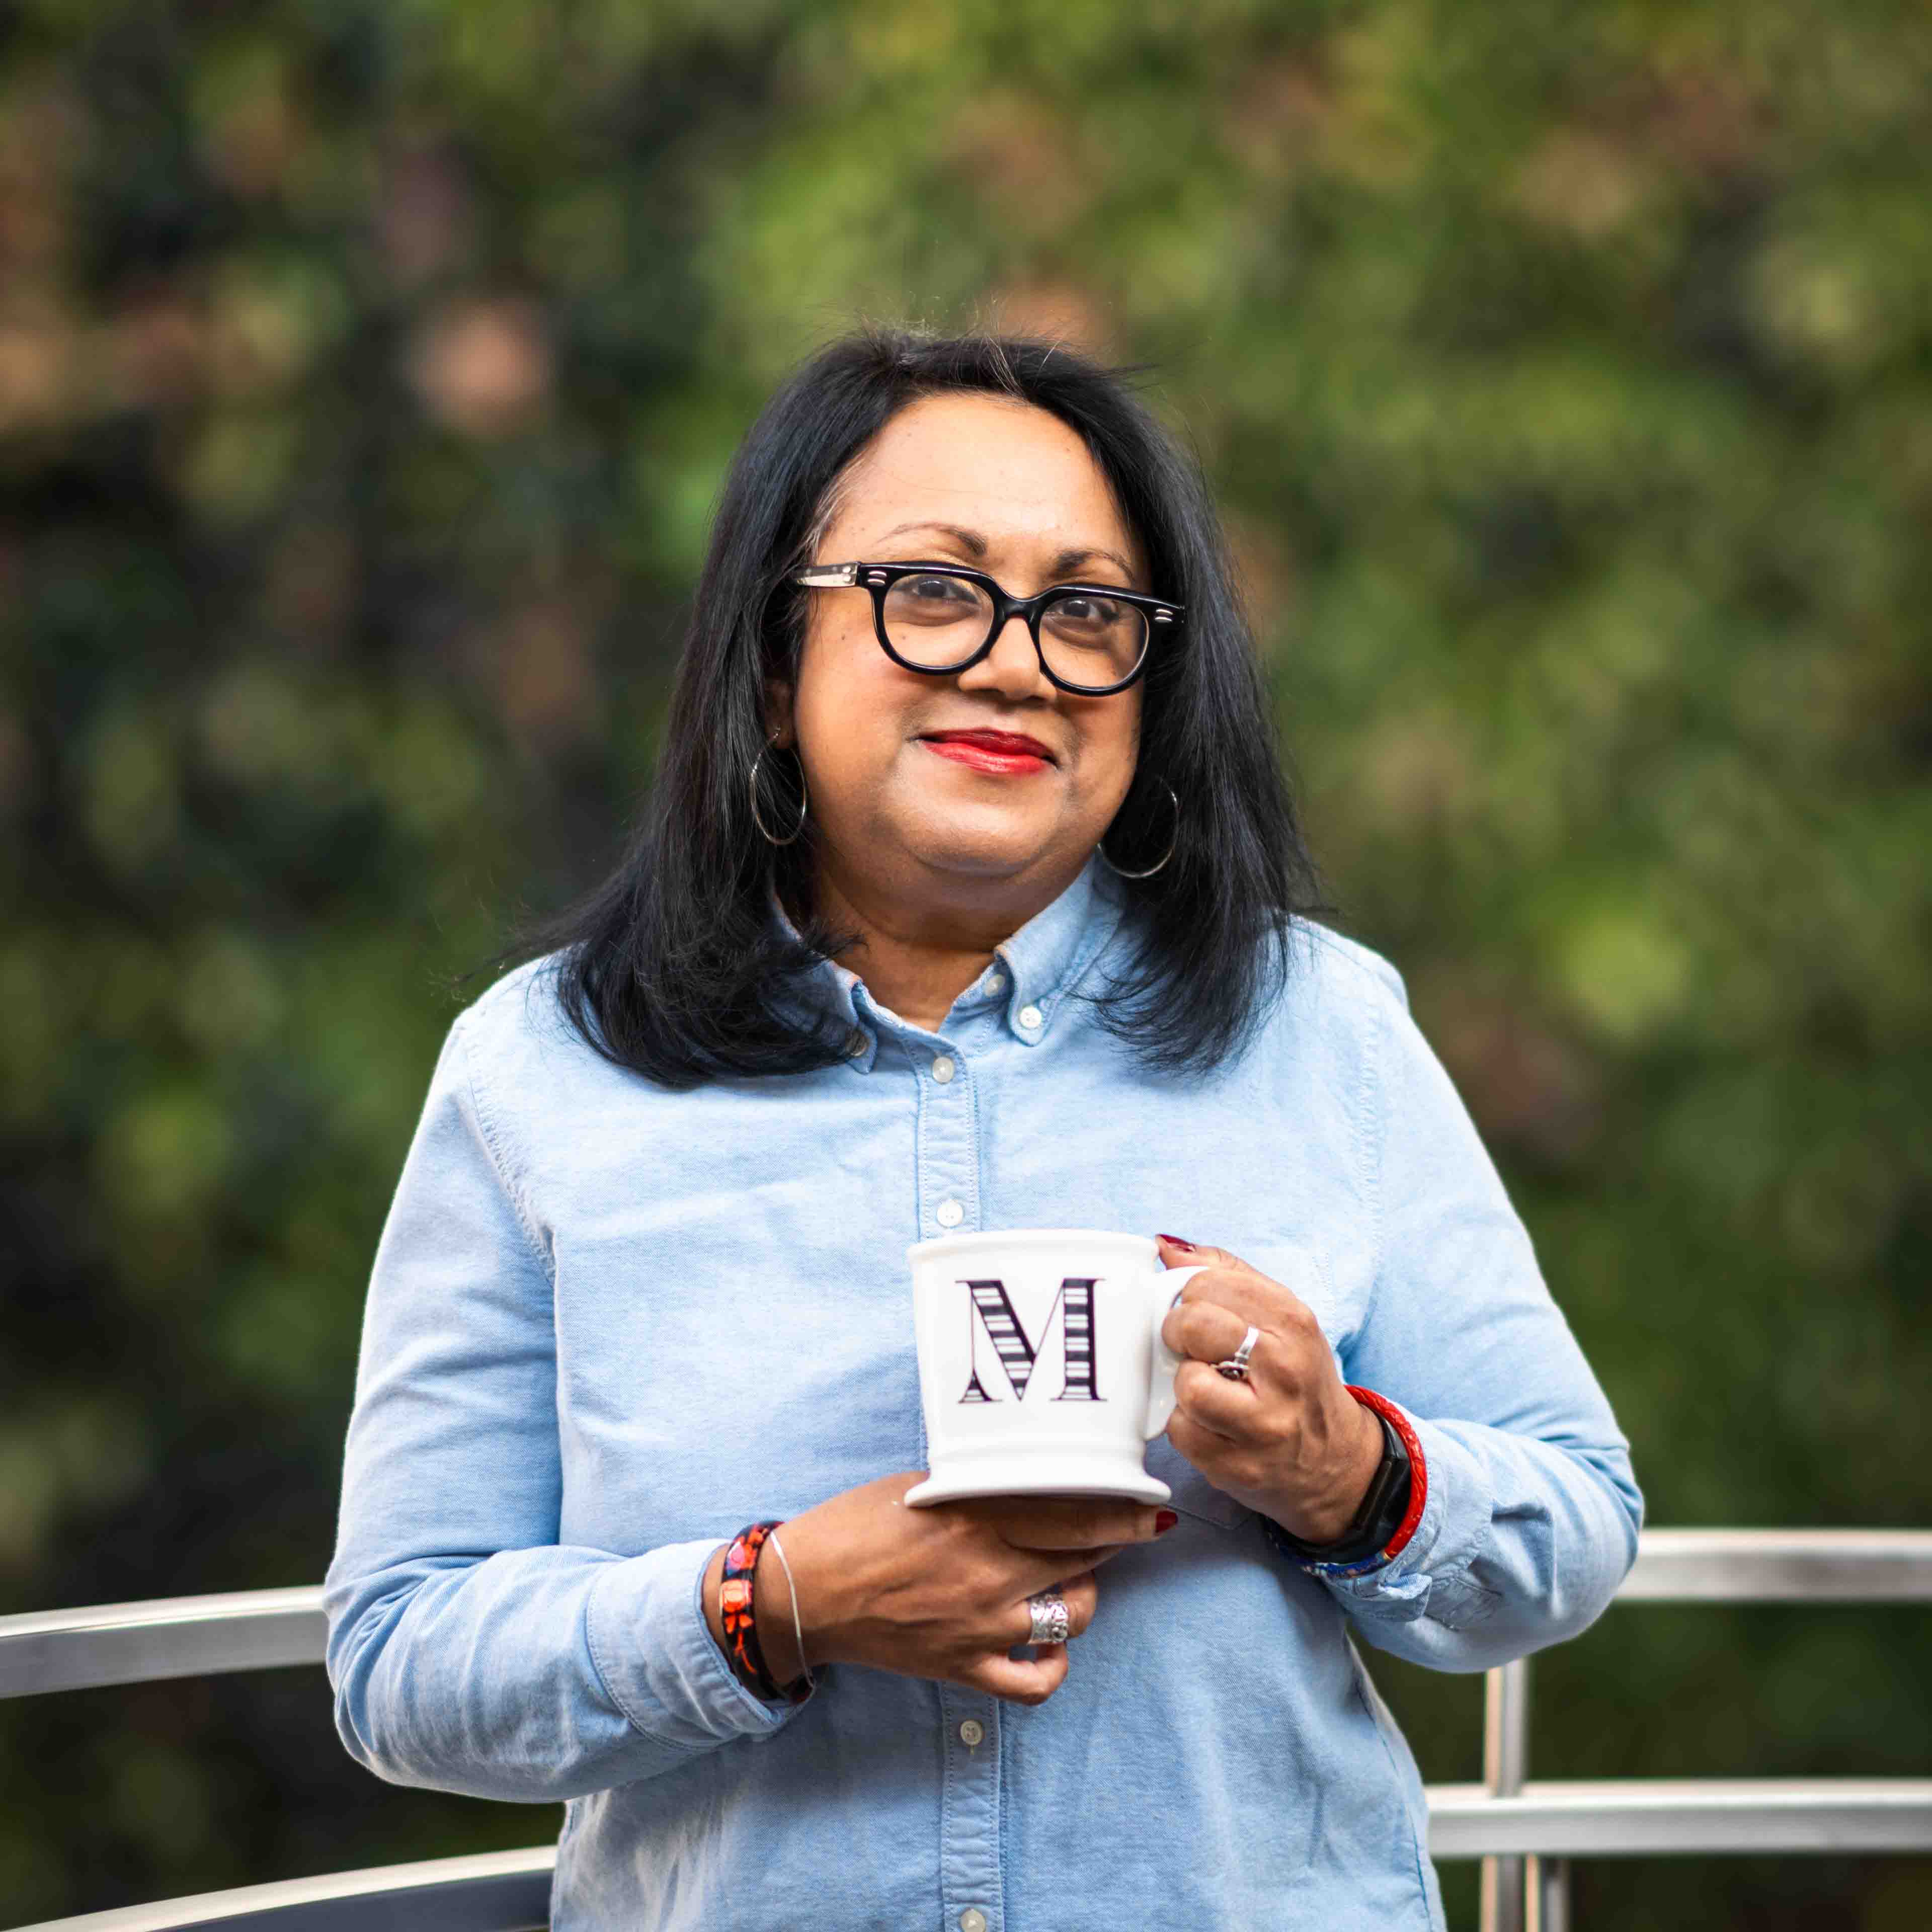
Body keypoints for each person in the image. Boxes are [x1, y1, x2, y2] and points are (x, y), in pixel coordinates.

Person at [323, 329, 1643, 1930]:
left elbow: (1575, 1515)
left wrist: (1347, 1469)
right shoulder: (546, 1072)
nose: (1017, 660)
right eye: (933, 590)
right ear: (769, 654)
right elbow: (401, 1660)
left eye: (1088, 611)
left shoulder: (1319, 1029)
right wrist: (771, 1604)